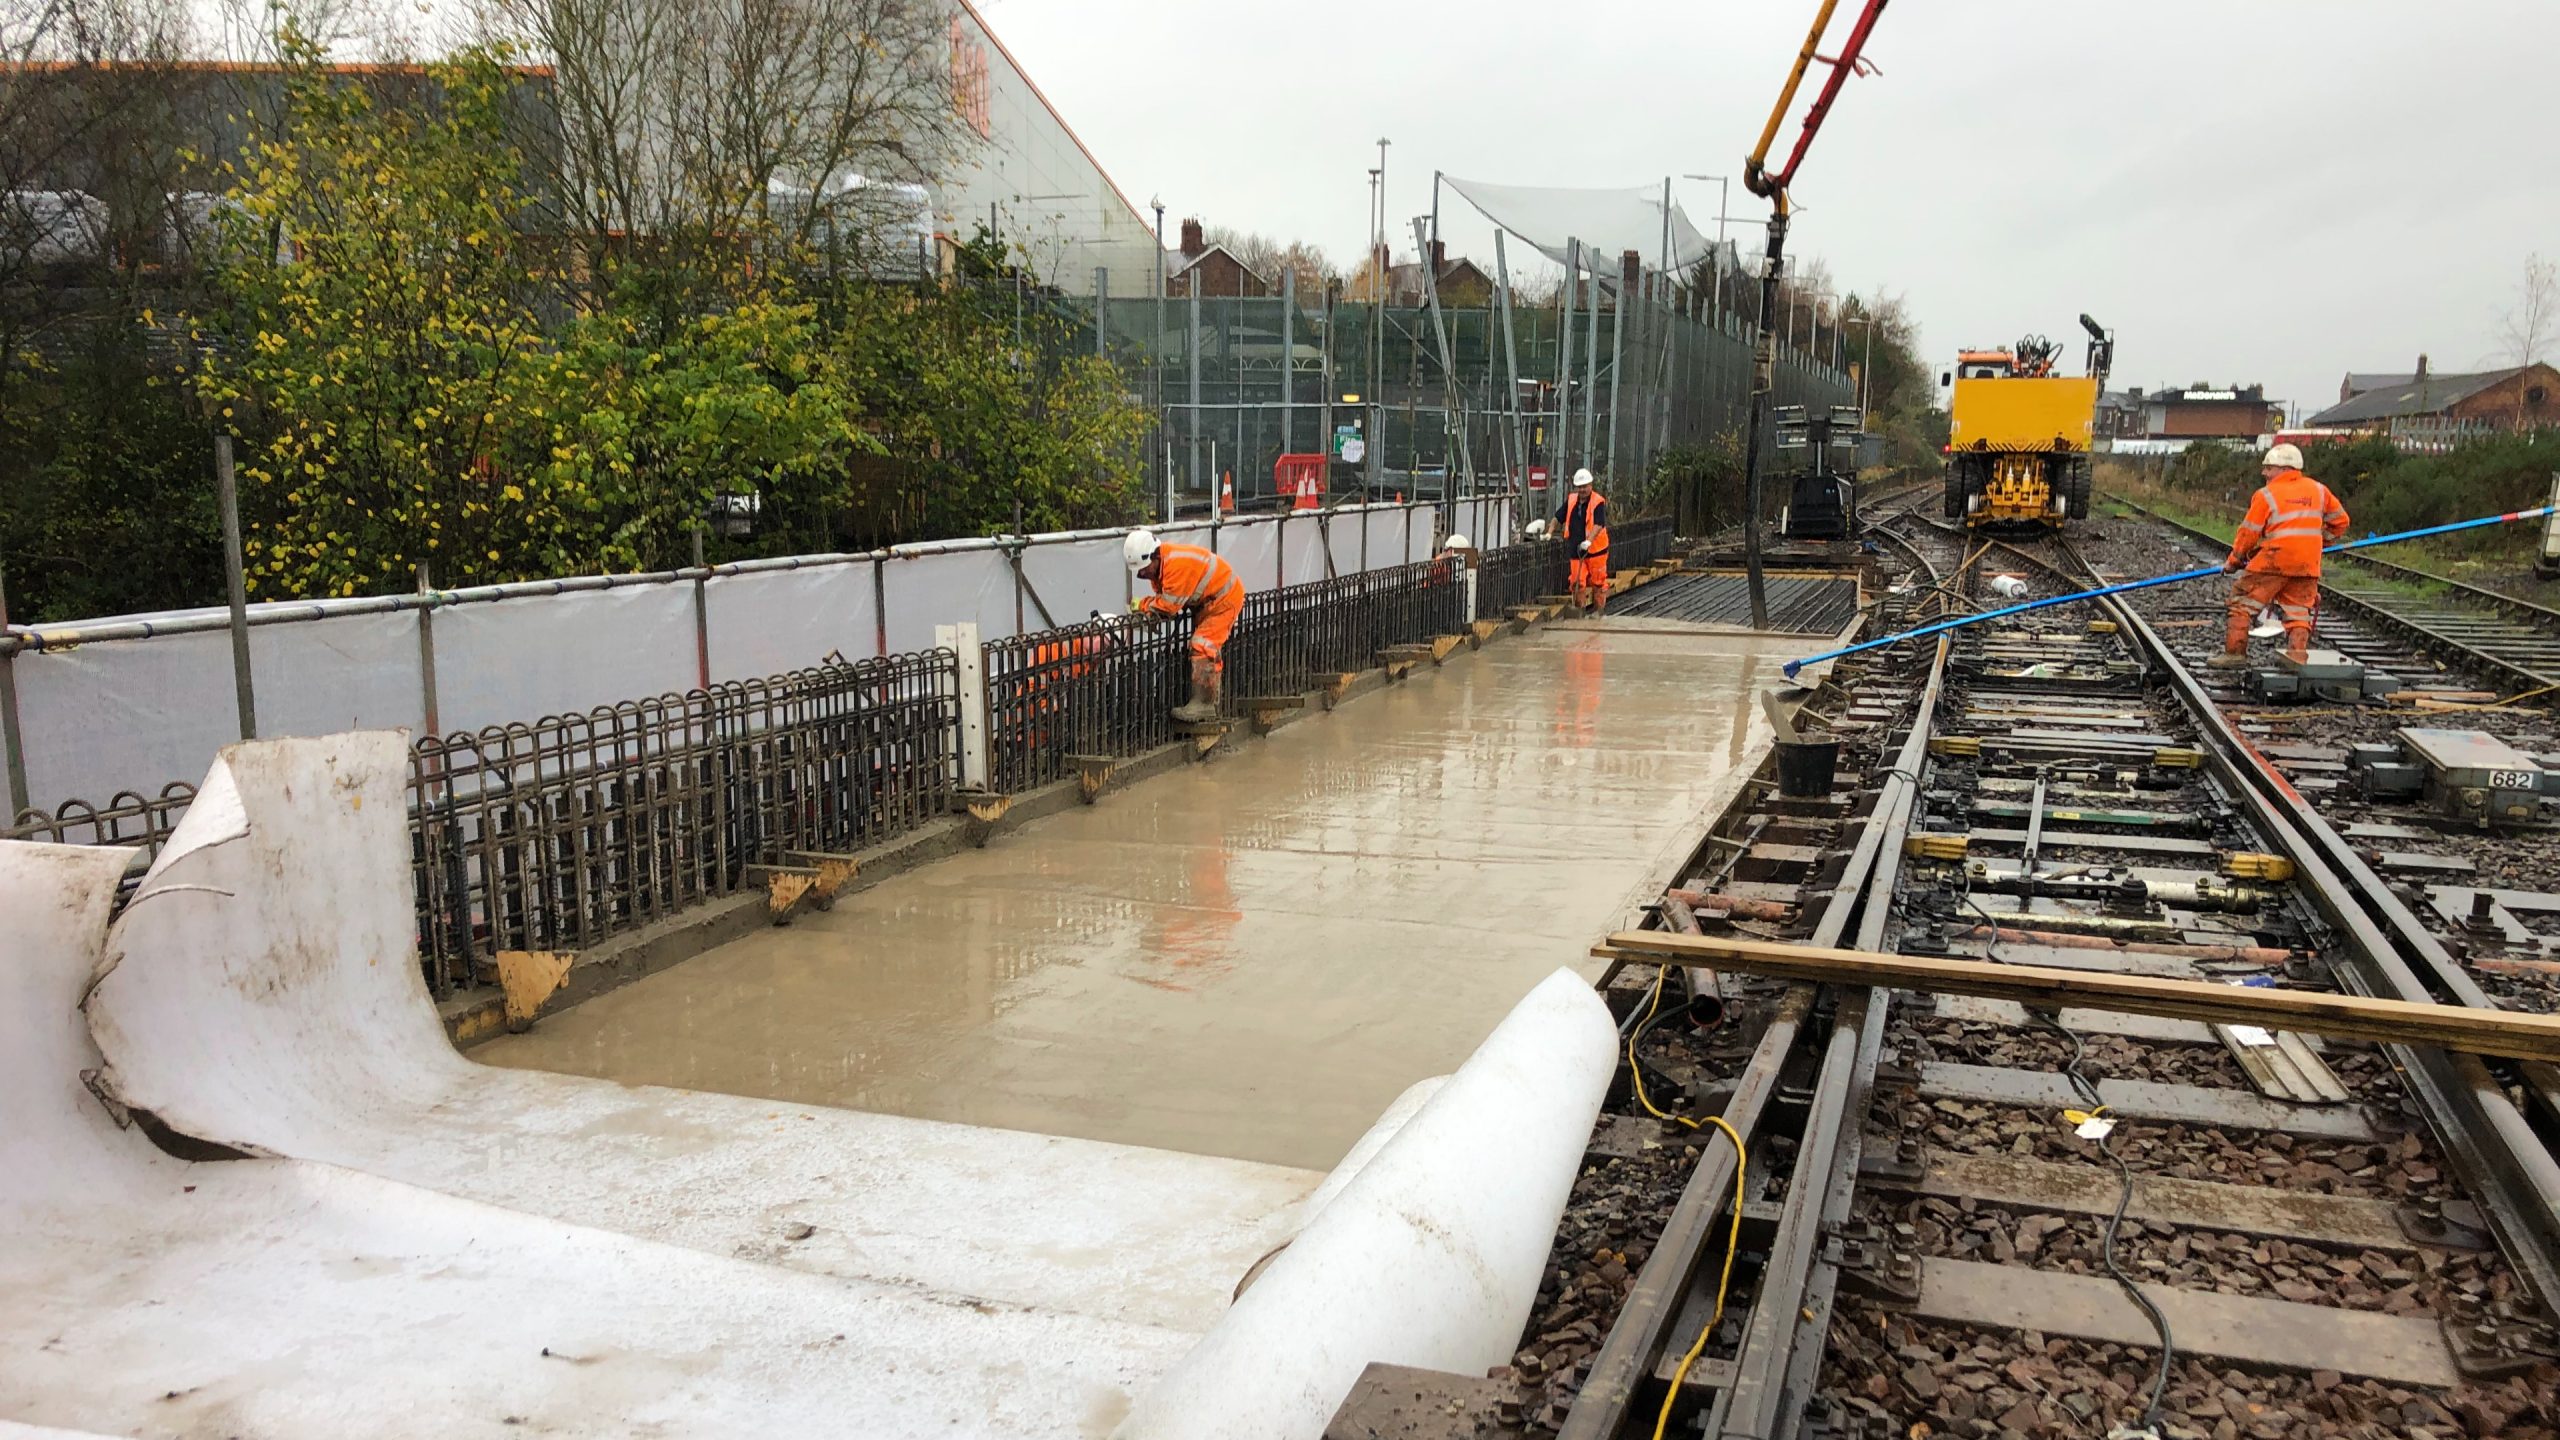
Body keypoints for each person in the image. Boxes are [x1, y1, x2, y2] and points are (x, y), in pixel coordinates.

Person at [2212, 442, 2348, 669]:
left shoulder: (2267, 494)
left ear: (2284, 468)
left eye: (2269, 468)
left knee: (2241, 603)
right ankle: (2296, 658)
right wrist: (2318, 542)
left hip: (2273, 562)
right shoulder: (2319, 490)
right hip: (2306, 564)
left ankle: (2235, 655)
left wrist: (2234, 560)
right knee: (2298, 612)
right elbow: (2341, 522)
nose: (2264, 472)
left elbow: (2249, 532)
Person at [1125, 530, 1244, 723]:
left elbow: (1168, 606)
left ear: (1155, 556)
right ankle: (1211, 702)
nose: (1141, 574)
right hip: (1210, 602)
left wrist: (1142, 605)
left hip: (1223, 600)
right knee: (1207, 647)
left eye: (1144, 569)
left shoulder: (1175, 567)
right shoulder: (1163, 565)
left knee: (1203, 645)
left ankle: (1205, 705)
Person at [1556, 468, 1611, 614]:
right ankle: (1579, 614)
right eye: (1580, 487)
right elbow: (1558, 517)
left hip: (1596, 551)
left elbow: (1599, 524)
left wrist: (1589, 541)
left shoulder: (1597, 502)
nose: (1582, 490)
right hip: (1576, 550)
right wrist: (1548, 533)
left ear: (1590, 485)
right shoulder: (1572, 500)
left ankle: (1598, 614)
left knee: (1598, 584)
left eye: (1585, 486)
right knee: (1576, 583)